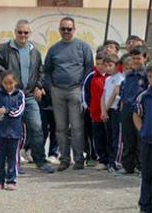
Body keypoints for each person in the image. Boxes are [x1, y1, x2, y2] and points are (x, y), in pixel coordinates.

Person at [0, 19, 55, 174]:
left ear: (30, 34)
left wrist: (39, 86)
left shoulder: (34, 51)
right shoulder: (5, 48)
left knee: (37, 128)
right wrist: (3, 72)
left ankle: (40, 161)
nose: (23, 35)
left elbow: (41, 71)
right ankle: (13, 163)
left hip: (28, 97)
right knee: (11, 130)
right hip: (10, 96)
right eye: (20, 32)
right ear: (15, 32)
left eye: (26, 32)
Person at [44, 17, 94, 171]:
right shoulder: (53, 49)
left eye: (69, 29)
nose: (66, 32)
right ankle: (64, 160)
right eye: (63, 29)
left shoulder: (83, 47)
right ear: (59, 30)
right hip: (58, 91)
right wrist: (50, 87)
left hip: (75, 91)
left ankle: (79, 159)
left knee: (77, 127)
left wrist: (82, 88)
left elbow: (89, 68)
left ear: (74, 29)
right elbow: (47, 71)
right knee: (60, 128)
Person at [0, 70, 26, 191]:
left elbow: (20, 110)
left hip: (15, 130)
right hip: (0, 131)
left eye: (11, 83)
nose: (8, 86)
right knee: (0, 157)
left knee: (13, 157)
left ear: (16, 82)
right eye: (5, 83)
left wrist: (6, 111)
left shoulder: (20, 95)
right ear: (1, 83)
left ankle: (11, 180)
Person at [119, 46, 148, 175]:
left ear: (145, 58)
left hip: (140, 111)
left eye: (139, 58)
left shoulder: (147, 75)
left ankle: (142, 167)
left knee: (140, 138)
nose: (136, 61)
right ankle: (128, 166)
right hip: (126, 109)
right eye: (134, 58)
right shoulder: (129, 75)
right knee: (127, 138)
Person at [81, 52, 108, 170]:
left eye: (103, 64)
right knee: (96, 136)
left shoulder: (110, 77)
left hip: (108, 112)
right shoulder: (91, 76)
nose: (100, 66)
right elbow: (84, 93)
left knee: (109, 136)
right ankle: (98, 158)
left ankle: (110, 160)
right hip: (95, 113)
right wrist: (88, 107)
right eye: (98, 63)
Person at [133, 65, 152, 213]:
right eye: (151, 76)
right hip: (148, 141)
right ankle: (145, 207)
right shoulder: (144, 97)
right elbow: (136, 115)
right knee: (147, 174)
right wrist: (142, 131)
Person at [101, 54, 124, 173]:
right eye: (105, 66)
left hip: (115, 110)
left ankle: (116, 162)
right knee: (108, 136)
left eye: (110, 65)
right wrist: (103, 110)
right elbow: (103, 96)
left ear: (116, 66)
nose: (108, 68)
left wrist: (107, 108)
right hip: (107, 110)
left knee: (116, 137)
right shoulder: (107, 79)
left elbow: (114, 95)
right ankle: (110, 161)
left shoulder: (120, 78)